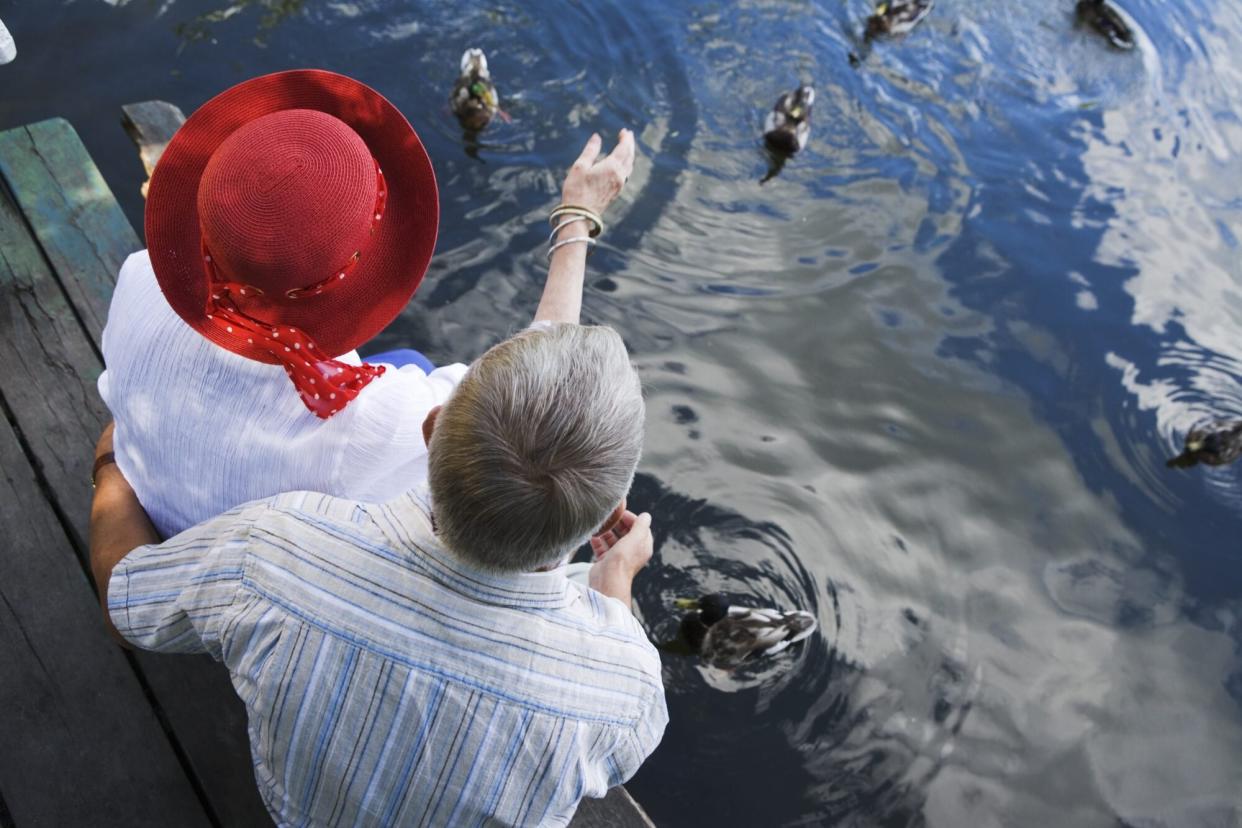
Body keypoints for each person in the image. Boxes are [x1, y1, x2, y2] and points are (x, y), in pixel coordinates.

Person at [96, 68, 635, 539]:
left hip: (160, 497)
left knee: (406, 366)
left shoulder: (140, 277)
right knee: (415, 368)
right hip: (236, 563)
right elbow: (539, 387)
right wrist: (578, 216)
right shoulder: (372, 423)